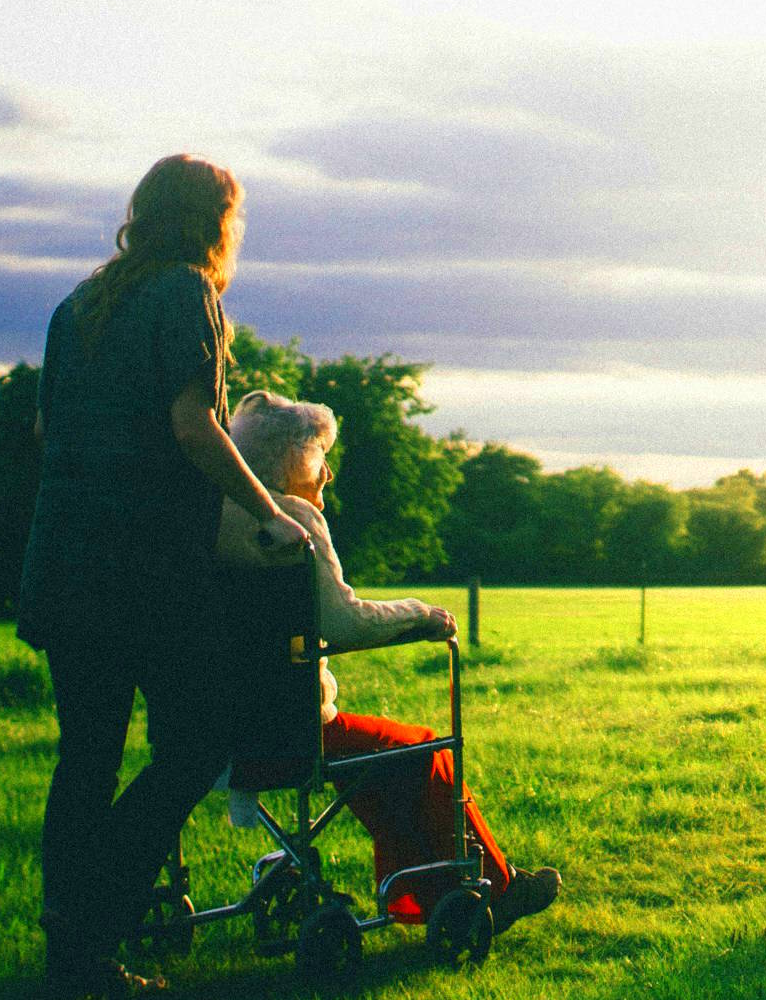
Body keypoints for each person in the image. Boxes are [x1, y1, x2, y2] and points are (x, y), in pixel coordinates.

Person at [17, 154, 311, 998]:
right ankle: (92, 918)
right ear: (216, 220)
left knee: (88, 758)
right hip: (141, 570)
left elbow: (48, 428)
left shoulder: (77, 305)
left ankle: (71, 948)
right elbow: (195, 426)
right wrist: (268, 511)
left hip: (63, 559)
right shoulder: (188, 294)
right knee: (196, 743)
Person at [213, 391, 560, 934]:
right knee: (421, 747)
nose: (327, 471)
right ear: (291, 460)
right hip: (289, 731)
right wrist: (420, 615)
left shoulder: (210, 517)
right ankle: (497, 887)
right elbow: (344, 623)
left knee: (383, 759)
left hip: (215, 730)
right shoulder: (292, 520)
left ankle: (420, 897)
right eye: (320, 455)